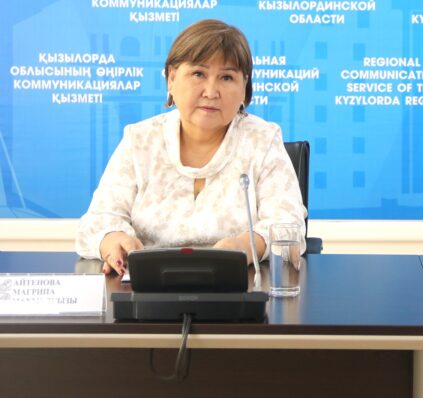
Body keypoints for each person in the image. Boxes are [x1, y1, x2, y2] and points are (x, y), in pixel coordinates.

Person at [76, 19, 307, 275]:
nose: (211, 91)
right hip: (148, 287)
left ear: (244, 88)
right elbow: (98, 221)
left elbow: (289, 229)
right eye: (198, 74)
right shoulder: (140, 140)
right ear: (171, 79)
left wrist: (246, 246)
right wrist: (112, 239)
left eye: (227, 77)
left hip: (237, 284)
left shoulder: (262, 140)